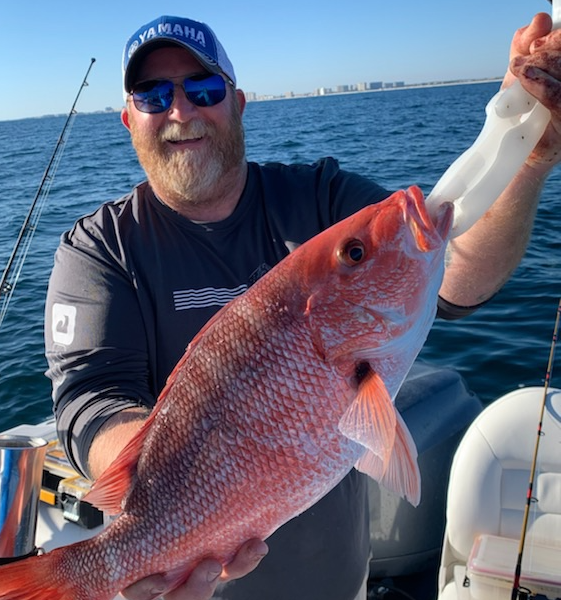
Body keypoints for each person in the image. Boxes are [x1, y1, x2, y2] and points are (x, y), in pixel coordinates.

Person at [44, 12, 561, 600]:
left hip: (337, 584)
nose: (181, 111)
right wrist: (174, 489)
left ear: (237, 102)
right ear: (128, 119)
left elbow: (456, 276)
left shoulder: (320, 196)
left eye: (203, 90)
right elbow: (90, 399)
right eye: (153, 95)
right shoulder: (98, 248)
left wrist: (527, 159)